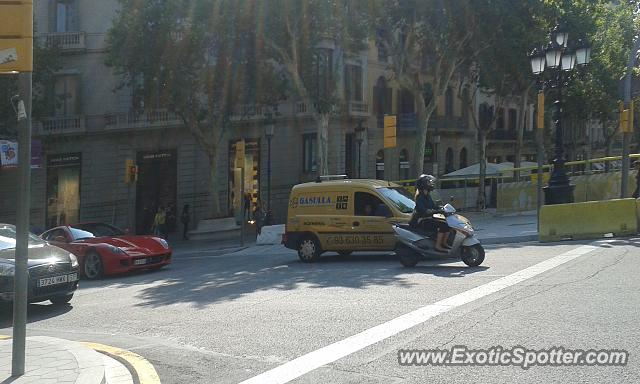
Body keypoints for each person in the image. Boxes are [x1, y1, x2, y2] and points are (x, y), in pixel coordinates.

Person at [411, 174, 450, 252]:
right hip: (421, 220)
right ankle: (438, 246)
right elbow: (423, 210)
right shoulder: (419, 197)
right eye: (429, 182)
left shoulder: (427, 195)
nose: (431, 184)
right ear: (424, 184)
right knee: (443, 225)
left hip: (428, 217)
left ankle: (444, 243)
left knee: (449, 224)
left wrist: (441, 208)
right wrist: (433, 211)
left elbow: (433, 206)